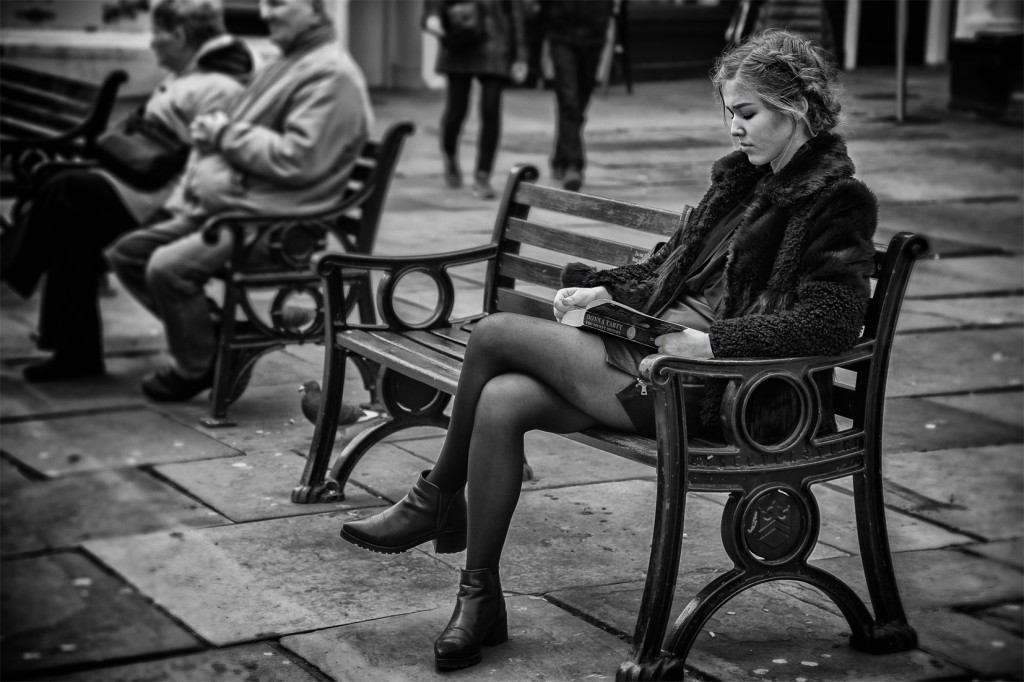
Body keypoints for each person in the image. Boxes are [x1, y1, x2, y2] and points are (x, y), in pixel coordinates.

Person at [340, 28, 877, 672]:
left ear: (795, 111)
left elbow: (834, 321)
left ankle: (433, 500)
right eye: (729, 113)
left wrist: (712, 343)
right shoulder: (741, 182)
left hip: (709, 388)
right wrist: (600, 293)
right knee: (502, 402)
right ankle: (479, 596)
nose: (734, 129)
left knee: (491, 333)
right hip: (650, 356)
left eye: (748, 114)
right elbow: (668, 269)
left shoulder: (835, 200)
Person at [105, 0, 373, 402]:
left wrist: (223, 134)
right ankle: (214, 340)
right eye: (265, 4)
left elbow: (298, 158)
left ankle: (197, 366)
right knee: (129, 254)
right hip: (237, 207)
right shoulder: (287, 63)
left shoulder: (331, 75)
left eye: (279, 4)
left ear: (316, 12)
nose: (266, 14)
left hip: (274, 223)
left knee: (166, 269)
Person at [1, 0, 253, 382]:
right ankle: (76, 355)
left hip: (169, 207)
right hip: (144, 194)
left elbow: (213, 162)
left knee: (65, 188)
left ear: (181, 36)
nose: (152, 44)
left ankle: (9, 269)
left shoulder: (217, 86)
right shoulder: (192, 76)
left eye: (158, 35)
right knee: (75, 238)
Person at [423, 0, 529, 199]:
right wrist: (433, 16)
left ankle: (483, 175)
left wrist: (521, 56)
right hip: (460, 40)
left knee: (490, 110)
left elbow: (515, 12)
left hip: (495, 44)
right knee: (456, 111)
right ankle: (450, 153)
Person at [538, 0, 614, 192]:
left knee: (579, 104)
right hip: (562, 33)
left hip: (593, 35)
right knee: (569, 99)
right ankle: (574, 164)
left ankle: (559, 156)